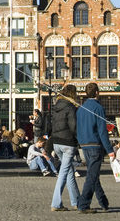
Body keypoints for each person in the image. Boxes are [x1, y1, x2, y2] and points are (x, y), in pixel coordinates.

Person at [76, 83, 115, 214]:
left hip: (84, 144)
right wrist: (109, 150)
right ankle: (83, 204)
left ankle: (103, 202)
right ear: (97, 93)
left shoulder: (81, 108)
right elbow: (102, 130)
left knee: (94, 174)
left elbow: (78, 128)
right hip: (94, 144)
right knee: (92, 176)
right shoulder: (98, 108)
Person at [51, 84, 81, 212]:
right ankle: (56, 203)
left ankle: (77, 201)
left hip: (56, 142)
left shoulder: (56, 107)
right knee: (63, 173)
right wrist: (78, 139)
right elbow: (74, 126)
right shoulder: (71, 107)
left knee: (69, 172)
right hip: (67, 143)